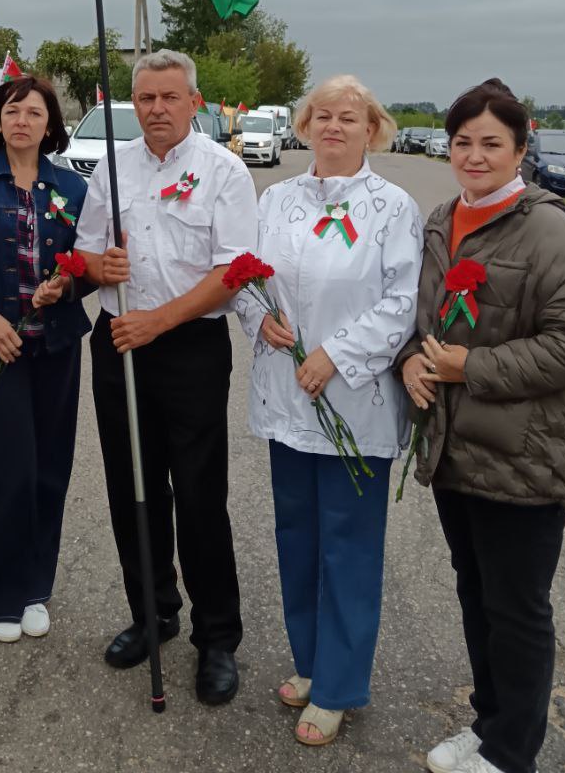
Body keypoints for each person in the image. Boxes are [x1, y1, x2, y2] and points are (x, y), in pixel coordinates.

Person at [397, 79, 565, 773]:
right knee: (476, 591)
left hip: (526, 458)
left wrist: (473, 368)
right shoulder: (442, 221)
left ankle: (511, 752)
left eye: (491, 142)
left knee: (517, 608)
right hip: (457, 451)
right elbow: (423, 318)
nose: (473, 155)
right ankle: (490, 724)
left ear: (521, 149)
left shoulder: (553, 234)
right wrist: (411, 360)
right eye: (463, 141)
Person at [235, 75, 422, 747]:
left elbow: (402, 302)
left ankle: (341, 684)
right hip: (287, 398)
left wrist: (336, 356)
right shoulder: (276, 198)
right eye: (323, 116)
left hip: (353, 401)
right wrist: (261, 320)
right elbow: (245, 277)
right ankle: (311, 662)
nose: (335, 127)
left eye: (350, 118)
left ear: (372, 129)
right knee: (297, 538)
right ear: (306, 124)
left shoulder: (393, 207)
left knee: (347, 546)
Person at [74, 50, 258, 706]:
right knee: (133, 490)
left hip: (189, 348)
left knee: (201, 495)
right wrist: (102, 268)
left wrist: (159, 320)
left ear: (192, 100)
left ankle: (217, 638)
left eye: (169, 97)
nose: (156, 109)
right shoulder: (111, 167)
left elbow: (232, 272)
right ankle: (153, 614)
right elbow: (86, 253)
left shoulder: (225, 172)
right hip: (119, 343)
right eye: (146, 98)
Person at [0, 75, 90, 642]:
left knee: (48, 470)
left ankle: (34, 586)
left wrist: (69, 285)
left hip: (55, 345)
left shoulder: (75, 189)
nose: (22, 120)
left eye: (34, 112)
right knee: (3, 472)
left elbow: (89, 263)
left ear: (51, 125)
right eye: (12, 110)